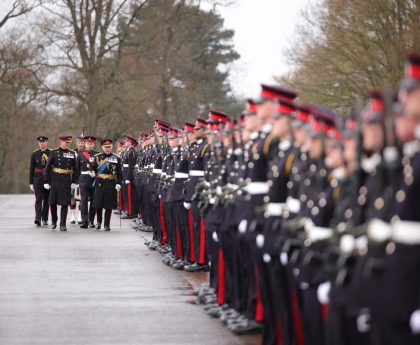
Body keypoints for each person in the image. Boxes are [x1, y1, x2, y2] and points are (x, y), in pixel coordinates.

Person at [44, 135, 78, 231]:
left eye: (68, 143)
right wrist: (46, 181)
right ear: (60, 142)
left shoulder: (72, 153)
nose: (67, 144)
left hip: (66, 180)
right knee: (52, 202)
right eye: (65, 142)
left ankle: (63, 224)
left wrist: (74, 181)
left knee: (64, 203)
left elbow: (75, 169)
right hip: (55, 179)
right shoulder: (54, 152)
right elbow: (47, 167)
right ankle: (54, 221)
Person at [92, 139, 123, 231]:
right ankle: (98, 222)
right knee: (98, 204)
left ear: (112, 147)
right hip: (100, 182)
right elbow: (93, 169)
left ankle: (106, 224)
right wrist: (93, 174)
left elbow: (119, 173)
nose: (107, 149)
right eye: (106, 147)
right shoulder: (97, 157)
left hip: (111, 183)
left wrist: (119, 183)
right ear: (102, 147)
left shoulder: (116, 158)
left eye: (109, 147)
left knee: (108, 205)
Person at [76, 135, 98, 228]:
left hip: (94, 180)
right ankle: (84, 220)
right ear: (85, 144)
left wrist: (95, 174)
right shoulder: (80, 155)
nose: (89, 145)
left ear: (94, 144)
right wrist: (76, 181)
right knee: (83, 201)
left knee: (94, 201)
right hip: (83, 179)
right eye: (88, 143)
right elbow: (77, 169)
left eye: (91, 144)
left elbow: (99, 168)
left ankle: (91, 220)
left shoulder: (97, 155)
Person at [29, 136, 51, 226]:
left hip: (48, 179)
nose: (42, 143)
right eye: (40, 142)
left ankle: (45, 218)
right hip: (37, 179)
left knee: (46, 200)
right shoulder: (35, 154)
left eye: (43, 142)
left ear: (47, 142)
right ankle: (38, 218)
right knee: (38, 199)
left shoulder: (51, 153)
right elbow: (31, 169)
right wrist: (31, 182)